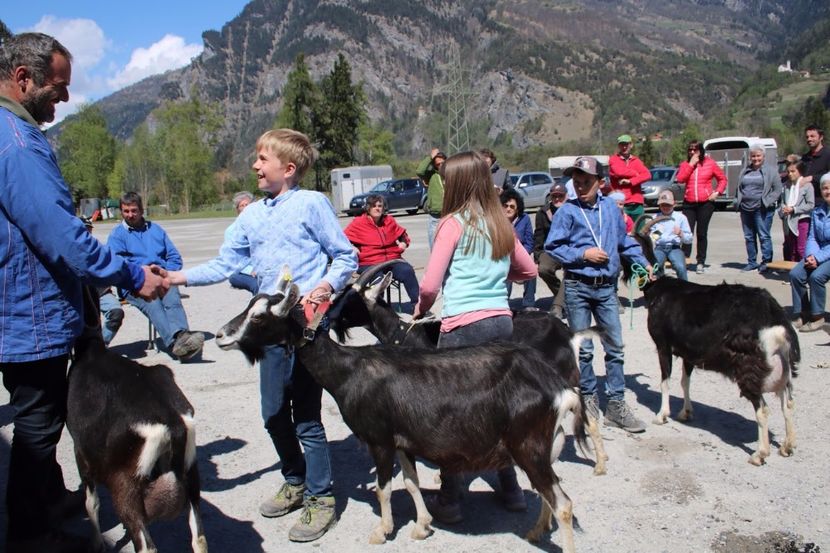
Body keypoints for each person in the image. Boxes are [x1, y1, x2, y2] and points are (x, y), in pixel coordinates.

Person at [0, 32, 168, 553]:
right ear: (23, 78)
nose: (65, 99)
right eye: (58, 87)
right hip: (31, 315)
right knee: (37, 424)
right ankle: (31, 534)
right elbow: (62, 238)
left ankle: (52, 500)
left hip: (19, 310)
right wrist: (131, 275)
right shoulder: (19, 144)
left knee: (38, 414)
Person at [168, 129, 357, 542]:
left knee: (306, 418)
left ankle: (320, 497)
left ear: (288, 169)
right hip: (268, 332)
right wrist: (177, 276)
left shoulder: (312, 204)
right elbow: (223, 263)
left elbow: (345, 256)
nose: (254, 165)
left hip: (307, 332)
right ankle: (295, 479)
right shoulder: (250, 215)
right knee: (273, 414)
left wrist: (324, 286)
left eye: (261, 159)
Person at [413, 151, 537, 524]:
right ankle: (512, 490)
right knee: (497, 411)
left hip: (464, 327)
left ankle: (450, 499)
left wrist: (421, 307)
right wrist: (499, 281)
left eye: (449, 179)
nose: (445, 184)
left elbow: (431, 283)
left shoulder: (452, 223)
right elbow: (529, 269)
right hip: (502, 323)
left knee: (457, 417)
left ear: (461, 181)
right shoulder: (500, 222)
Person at [545, 156, 653, 434]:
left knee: (614, 347)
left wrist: (641, 262)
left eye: (585, 182)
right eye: (576, 182)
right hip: (578, 287)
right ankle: (589, 398)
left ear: (601, 183)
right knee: (584, 349)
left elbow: (623, 241)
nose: (579, 187)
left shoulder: (611, 210)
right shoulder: (567, 211)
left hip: (606, 288)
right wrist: (583, 254)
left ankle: (616, 405)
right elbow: (553, 246)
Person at [108, 192, 204, 360]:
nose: (130, 215)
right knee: (154, 305)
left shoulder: (156, 230)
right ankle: (175, 345)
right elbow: (116, 264)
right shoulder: (117, 235)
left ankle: (182, 335)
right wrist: (140, 274)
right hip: (134, 283)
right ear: (121, 212)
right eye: (126, 211)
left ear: (142, 210)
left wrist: (164, 272)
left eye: (134, 210)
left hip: (160, 276)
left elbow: (174, 257)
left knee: (172, 296)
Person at [343, 193, 419, 310]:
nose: (377, 208)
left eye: (380, 206)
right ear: (368, 208)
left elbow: (403, 235)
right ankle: (378, 310)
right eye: (374, 206)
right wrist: (352, 247)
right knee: (378, 279)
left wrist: (403, 243)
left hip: (392, 259)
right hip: (369, 261)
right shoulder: (358, 223)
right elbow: (341, 240)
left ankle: (417, 305)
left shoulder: (389, 221)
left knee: (407, 271)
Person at [676, 139, 727, 274]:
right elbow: (680, 179)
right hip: (689, 202)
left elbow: (722, 179)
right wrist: (691, 164)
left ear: (701, 150)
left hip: (706, 203)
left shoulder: (710, 163)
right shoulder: (685, 164)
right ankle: (685, 259)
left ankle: (700, 262)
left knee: (702, 233)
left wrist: (717, 192)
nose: (692, 152)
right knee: (687, 232)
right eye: (690, 149)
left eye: (695, 149)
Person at [789, 174, 830, 333]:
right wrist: (810, 256)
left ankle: (817, 316)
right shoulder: (817, 211)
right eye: (825, 188)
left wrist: (818, 259)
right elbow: (812, 236)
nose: (828, 191)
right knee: (796, 274)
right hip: (818, 252)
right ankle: (803, 312)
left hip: (826, 255)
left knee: (816, 276)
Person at [736, 143, 782, 273]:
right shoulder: (745, 171)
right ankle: (752, 262)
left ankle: (766, 262)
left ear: (763, 156)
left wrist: (766, 202)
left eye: (758, 156)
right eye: (753, 156)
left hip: (762, 209)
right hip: (745, 209)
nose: (755, 158)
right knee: (749, 237)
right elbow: (739, 188)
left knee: (763, 236)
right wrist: (737, 200)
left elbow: (777, 189)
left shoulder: (771, 171)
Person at [81, 216, 125, 345]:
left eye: (89, 230)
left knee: (116, 313)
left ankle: (100, 346)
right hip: (80, 294)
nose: (87, 233)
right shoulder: (68, 250)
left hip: (101, 291)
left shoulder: (98, 249)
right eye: (83, 230)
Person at [534, 182, 568, 318]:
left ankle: (558, 306)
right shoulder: (543, 212)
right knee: (543, 269)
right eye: (554, 196)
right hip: (551, 250)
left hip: (570, 250)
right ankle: (563, 296)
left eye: (561, 196)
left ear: (566, 196)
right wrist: (537, 256)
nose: (557, 199)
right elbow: (538, 235)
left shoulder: (573, 209)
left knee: (572, 271)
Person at [501, 188, 537, 310]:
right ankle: (503, 305)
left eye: (512, 206)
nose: (508, 209)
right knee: (505, 270)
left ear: (517, 209)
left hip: (520, 256)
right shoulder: (496, 221)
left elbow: (529, 242)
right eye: (505, 205)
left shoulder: (525, 219)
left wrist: (521, 257)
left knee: (531, 271)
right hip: (502, 258)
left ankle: (529, 304)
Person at [608, 134, 651, 231]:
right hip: (621, 203)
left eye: (626, 144)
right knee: (621, 230)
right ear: (618, 146)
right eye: (622, 144)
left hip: (636, 202)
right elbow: (618, 171)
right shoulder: (613, 159)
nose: (624, 147)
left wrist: (631, 181)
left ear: (631, 145)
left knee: (640, 232)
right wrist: (636, 173)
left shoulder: (636, 161)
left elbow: (647, 175)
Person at [651, 190, 693, 281]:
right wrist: (657, 233)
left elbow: (689, 239)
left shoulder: (681, 217)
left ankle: (684, 289)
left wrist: (681, 233)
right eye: (663, 205)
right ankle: (660, 287)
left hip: (675, 247)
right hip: (659, 247)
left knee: (680, 266)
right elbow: (652, 238)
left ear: (674, 204)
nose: (665, 207)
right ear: (659, 205)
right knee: (655, 266)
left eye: (668, 205)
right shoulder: (655, 218)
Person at [779, 161, 815, 262]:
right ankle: (793, 271)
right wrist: (783, 209)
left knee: (801, 248)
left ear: (800, 171)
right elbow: (782, 201)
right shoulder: (786, 186)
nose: (790, 174)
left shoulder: (807, 186)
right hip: (788, 220)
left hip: (801, 220)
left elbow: (810, 204)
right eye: (788, 171)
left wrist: (794, 209)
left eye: (793, 171)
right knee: (792, 248)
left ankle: (804, 268)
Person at [227, 191, 259, 295]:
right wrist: (251, 270)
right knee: (258, 285)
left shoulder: (261, 226)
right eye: (242, 205)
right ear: (237, 209)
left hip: (261, 268)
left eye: (248, 204)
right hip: (241, 271)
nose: (245, 207)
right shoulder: (231, 231)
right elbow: (234, 259)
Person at [416, 148, 447, 250]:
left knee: (450, 246)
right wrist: (430, 157)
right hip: (435, 217)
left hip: (450, 215)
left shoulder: (452, 173)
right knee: (435, 247)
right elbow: (420, 171)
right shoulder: (431, 175)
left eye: (443, 163)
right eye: (438, 164)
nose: (441, 165)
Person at [801, 125, 830, 202]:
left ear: (821, 137)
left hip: (823, 203)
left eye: (812, 136)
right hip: (806, 203)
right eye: (807, 137)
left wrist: (812, 178)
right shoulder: (805, 158)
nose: (809, 139)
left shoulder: (828, 155)